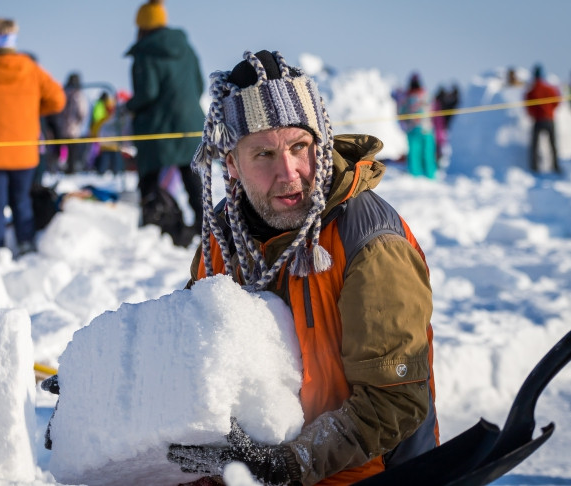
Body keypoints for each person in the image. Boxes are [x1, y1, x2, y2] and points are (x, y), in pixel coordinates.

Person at [167, 50, 437, 485]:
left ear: (322, 144)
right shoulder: (222, 238)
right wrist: (114, 391)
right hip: (245, 472)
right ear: (231, 164)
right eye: (264, 154)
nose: (289, 172)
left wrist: (290, 463)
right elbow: (184, 350)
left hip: (358, 474)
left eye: (299, 147)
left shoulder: (369, 242)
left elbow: (395, 402)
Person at [0, 18, 65, 255]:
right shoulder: (31, 68)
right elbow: (58, 100)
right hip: (23, 150)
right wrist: (32, 109)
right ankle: (25, 245)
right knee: (21, 201)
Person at [125, 0, 205, 246]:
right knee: (192, 179)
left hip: (157, 126)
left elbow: (147, 92)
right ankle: (206, 229)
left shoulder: (145, 53)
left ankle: (155, 228)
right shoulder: (186, 48)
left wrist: (129, 107)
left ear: (142, 26)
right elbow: (199, 85)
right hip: (189, 122)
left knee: (149, 178)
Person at [399, 72, 437, 179]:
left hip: (420, 129)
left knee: (422, 154)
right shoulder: (423, 95)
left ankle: (424, 176)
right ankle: (423, 176)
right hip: (421, 130)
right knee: (421, 154)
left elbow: (401, 112)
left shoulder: (411, 97)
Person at [524, 64, 561, 174]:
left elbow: (528, 105)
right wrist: (550, 111)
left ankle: (534, 168)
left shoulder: (532, 90)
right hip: (550, 120)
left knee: (535, 146)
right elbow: (556, 102)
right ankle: (555, 166)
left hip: (538, 121)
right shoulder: (550, 88)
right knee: (553, 144)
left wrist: (534, 114)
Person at [57, 72, 87, 174]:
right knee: (72, 151)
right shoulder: (78, 95)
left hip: (62, 127)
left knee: (61, 150)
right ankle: (71, 169)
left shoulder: (63, 93)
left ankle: (63, 168)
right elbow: (82, 112)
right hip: (73, 129)